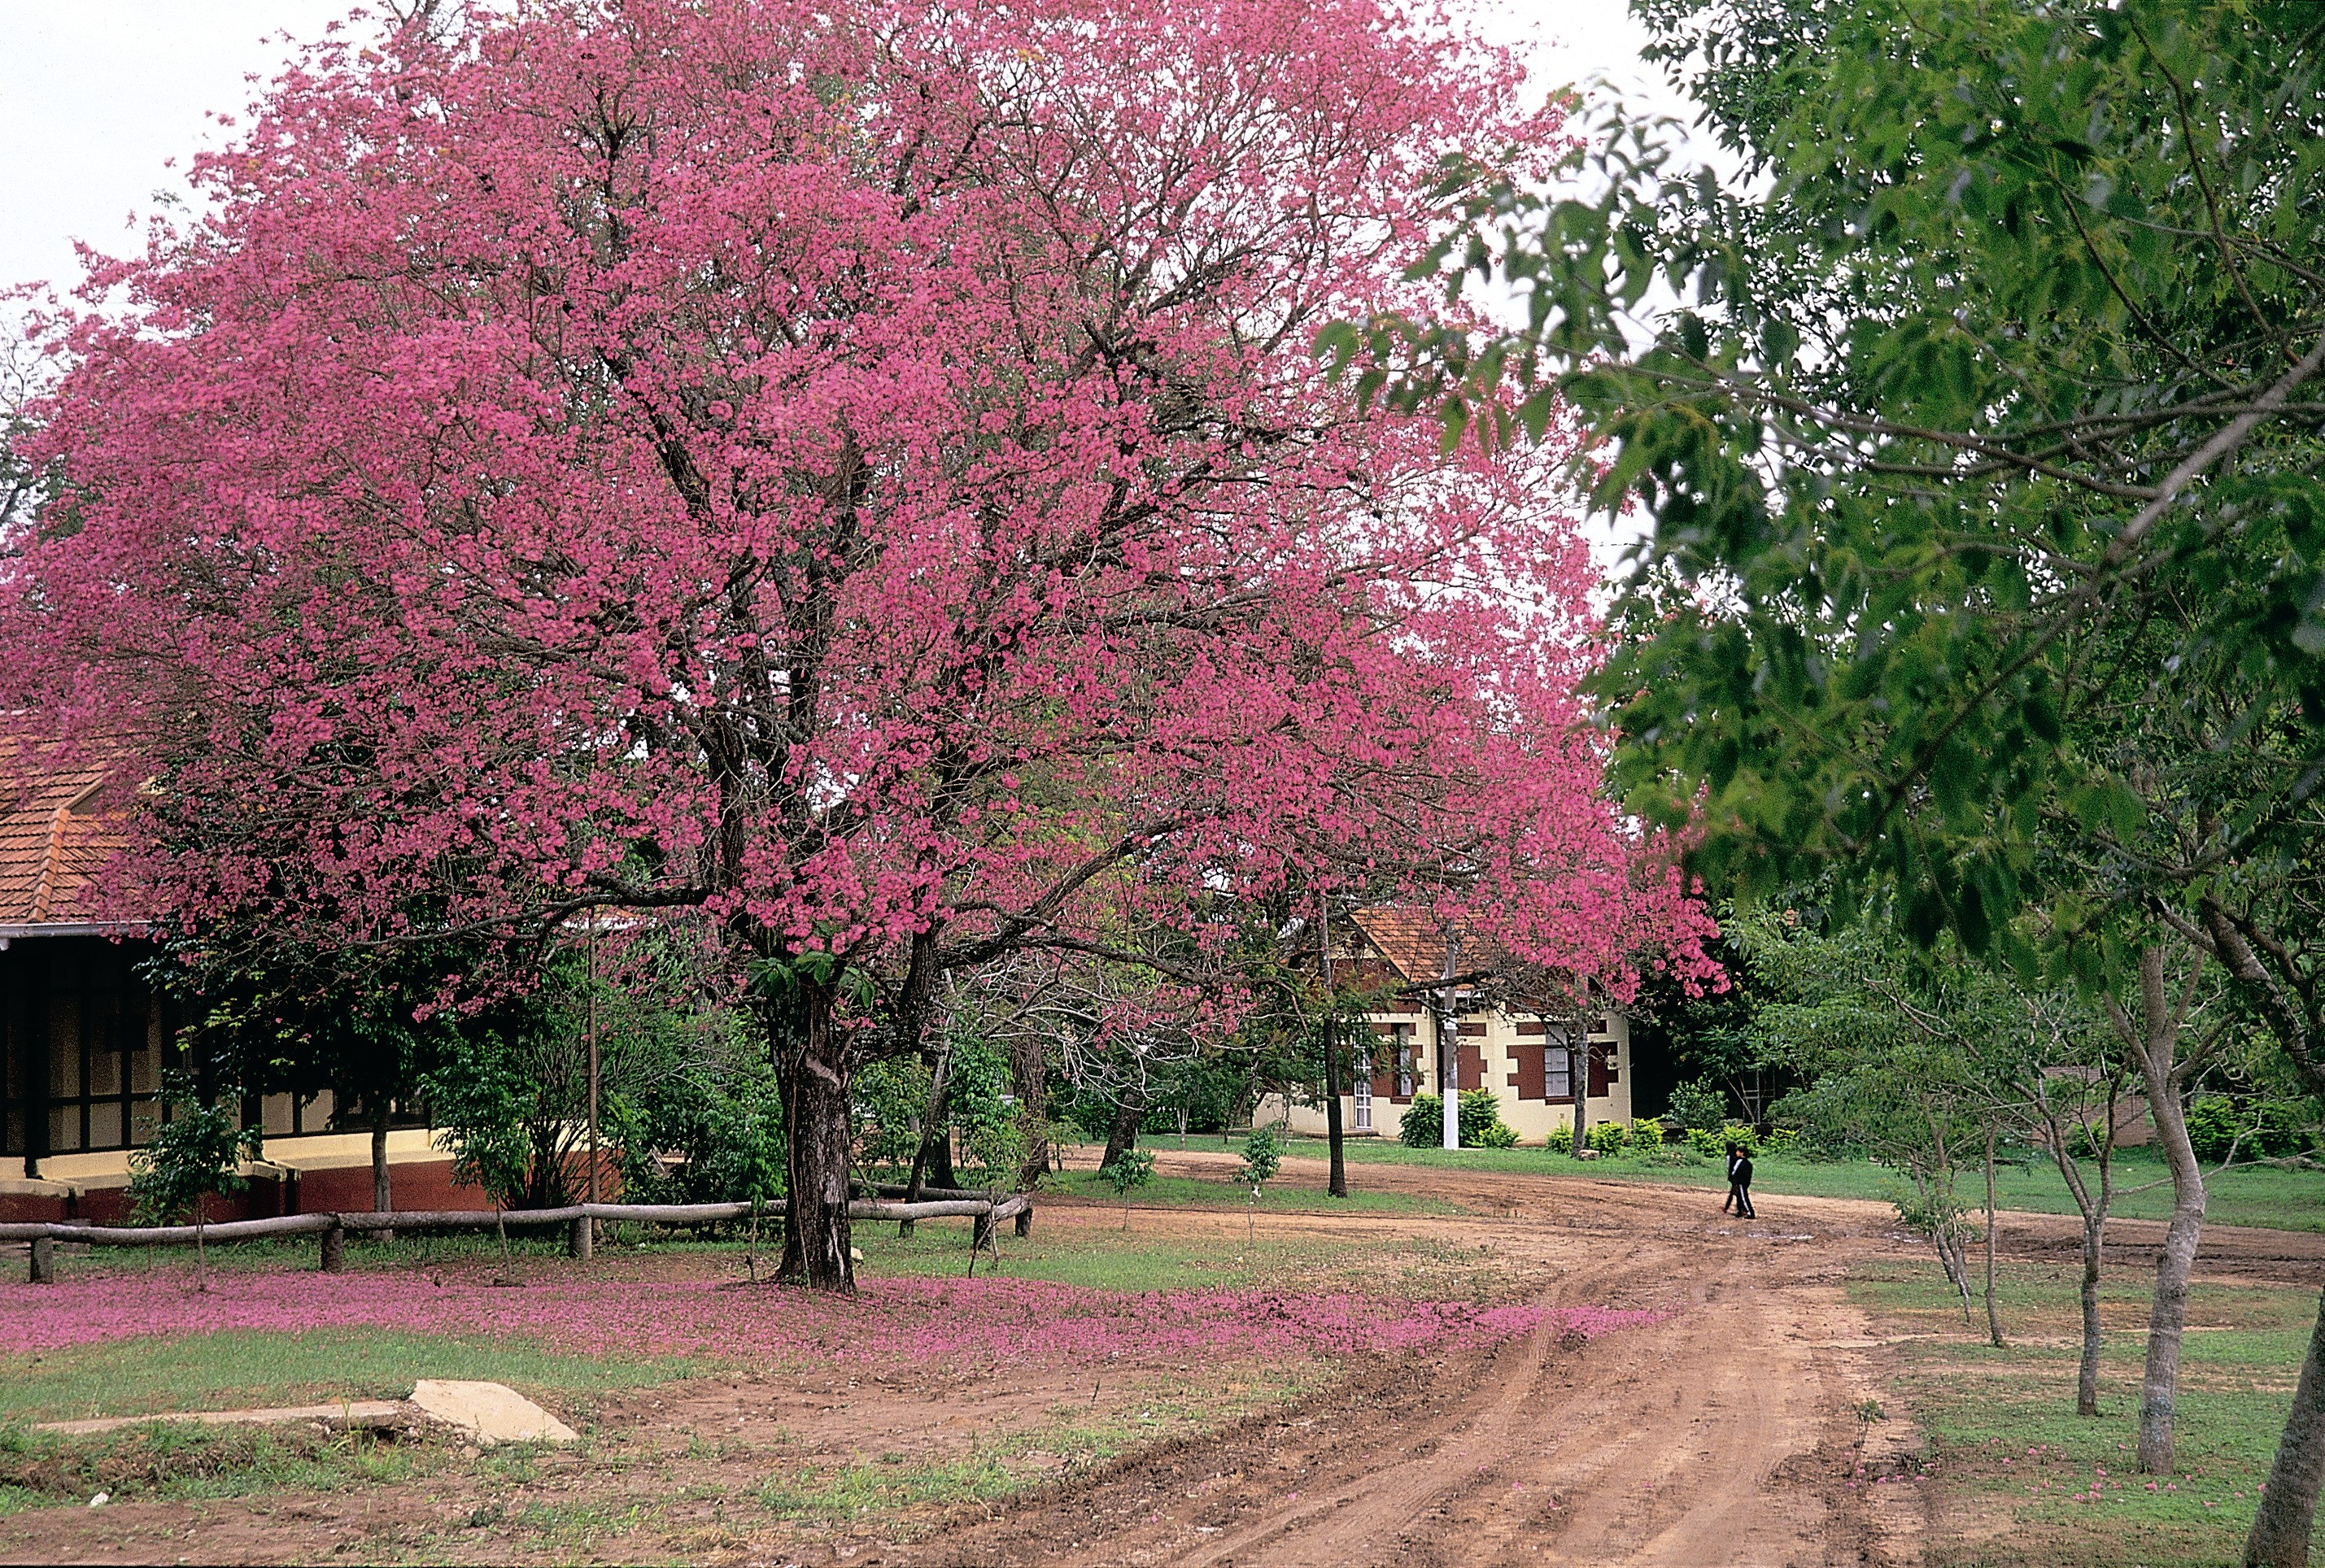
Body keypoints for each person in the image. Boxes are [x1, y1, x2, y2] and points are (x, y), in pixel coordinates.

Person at [1731, 1146, 1756, 1219]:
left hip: (1741, 1182)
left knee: (1743, 1197)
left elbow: (1734, 1172)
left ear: (1741, 1153)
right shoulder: (1748, 1163)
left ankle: (1750, 1213)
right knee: (1739, 1196)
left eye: (1737, 1151)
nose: (1736, 1153)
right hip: (1746, 1182)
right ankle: (1740, 1211)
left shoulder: (1739, 1161)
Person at [1722, 1143, 1743, 1215]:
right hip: (1739, 1176)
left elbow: (1728, 1167)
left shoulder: (1729, 1156)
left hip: (1733, 1176)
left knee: (1735, 1193)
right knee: (1736, 1193)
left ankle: (1738, 1210)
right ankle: (1738, 1209)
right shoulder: (1737, 1156)